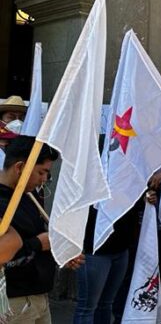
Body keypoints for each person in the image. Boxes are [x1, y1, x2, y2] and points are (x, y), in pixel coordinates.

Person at [1, 136, 83, 324]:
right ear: (20, 167)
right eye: (41, 172)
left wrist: (60, 252)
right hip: (14, 302)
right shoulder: (3, 201)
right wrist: (39, 244)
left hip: (38, 297)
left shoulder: (27, 196)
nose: (44, 179)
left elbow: (36, 237)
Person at [75, 199, 141, 324]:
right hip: (94, 250)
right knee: (88, 307)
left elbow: (136, 200)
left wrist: (147, 196)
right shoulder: (94, 180)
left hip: (121, 247)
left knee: (106, 304)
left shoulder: (130, 180)